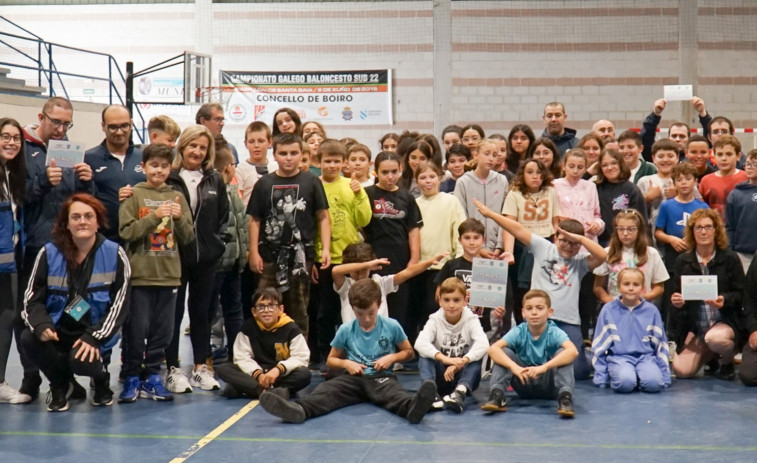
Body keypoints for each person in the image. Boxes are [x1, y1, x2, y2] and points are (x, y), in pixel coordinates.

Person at [258, 278, 437, 424]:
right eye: (360, 314)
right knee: (326, 390)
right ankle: (299, 410)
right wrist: (346, 363)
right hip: (353, 378)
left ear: (379, 304)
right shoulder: (346, 329)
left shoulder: (391, 326)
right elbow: (331, 360)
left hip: (381, 377)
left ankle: (413, 408)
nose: (366, 319)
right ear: (352, 308)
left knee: (395, 395)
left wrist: (391, 358)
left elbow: (409, 352)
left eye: (371, 313)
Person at [473, 199, 607, 380]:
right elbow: (517, 229)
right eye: (564, 241)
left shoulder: (580, 261)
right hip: (538, 318)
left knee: (580, 372)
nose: (569, 246)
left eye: (574, 243)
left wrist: (580, 239)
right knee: (532, 360)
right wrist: (491, 215)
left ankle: (579, 358)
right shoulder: (543, 247)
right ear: (555, 238)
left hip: (567, 321)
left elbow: (603, 255)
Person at [21, 193, 131, 411]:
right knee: (28, 338)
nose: (83, 221)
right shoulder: (48, 252)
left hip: (94, 332)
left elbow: (120, 304)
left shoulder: (115, 253)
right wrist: (42, 325)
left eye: (89, 216)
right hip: (58, 329)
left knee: (81, 359)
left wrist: (94, 337)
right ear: (66, 224)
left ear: (98, 221)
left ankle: (101, 380)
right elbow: (31, 298)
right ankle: (61, 385)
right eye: (76, 217)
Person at [117, 143, 194, 403]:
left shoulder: (177, 196)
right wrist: (155, 216)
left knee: (163, 332)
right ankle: (131, 376)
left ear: (170, 167)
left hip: (170, 274)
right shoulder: (133, 195)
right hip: (140, 274)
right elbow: (126, 232)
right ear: (144, 167)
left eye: (164, 165)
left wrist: (180, 218)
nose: (159, 170)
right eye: (154, 165)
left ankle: (152, 376)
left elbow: (187, 237)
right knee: (137, 331)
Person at [164, 125, 229, 393]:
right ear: (182, 146)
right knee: (173, 313)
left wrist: (217, 244)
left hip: (206, 258)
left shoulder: (215, 179)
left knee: (202, 313)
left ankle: (201, 366)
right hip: (174, 257)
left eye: (203, 148)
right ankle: (172, 367)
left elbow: (223, 216)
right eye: (193, 145)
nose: (197, 151)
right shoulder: (169, 177)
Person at [247, 132, 330, 337]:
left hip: (301, 255)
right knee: (265, 303)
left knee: (299, 306)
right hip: (269, 255)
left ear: (302, 154)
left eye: (294, 153)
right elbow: (255, 220)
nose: (289, 158)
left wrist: (325, 249)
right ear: (274, 155)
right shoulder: (264, 183)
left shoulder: (312, 182)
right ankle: (265, 349)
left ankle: (299, 354)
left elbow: (323, 217)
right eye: (283, 153)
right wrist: (253, 252)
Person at [312, 139, 371, 366]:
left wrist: (360, 195)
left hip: (349, 260)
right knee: (324, 313)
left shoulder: (351, 185)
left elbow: (364, 219)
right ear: (319, 161)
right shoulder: (314, 184)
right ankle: (326, 357)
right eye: (327, 161)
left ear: (344, 162)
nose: (332, 166)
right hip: (323, 259)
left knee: (347, 312)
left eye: (337, 161)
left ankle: (352, 353)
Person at [670, 209, 745, 380]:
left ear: (716, 231)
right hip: (696, 328)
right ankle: (710, 356)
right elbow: (676, 295)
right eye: (698, 227)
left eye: (708, 227)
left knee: (716, 339)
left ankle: (727, 361)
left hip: (723, 323)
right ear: (692, 231)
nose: (703, 231)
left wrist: (724, 300)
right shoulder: (683, 261)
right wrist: (677, 301)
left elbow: (741, 294)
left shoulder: (730, 258)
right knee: (682, 371)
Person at [482, 289, 577, 418]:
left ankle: (565, 397)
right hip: (524, 380)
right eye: (529, 308)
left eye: (539, 308)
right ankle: (497, 394)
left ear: (550, 312)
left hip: (549, 386)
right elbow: (493, 349)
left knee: (564, 353)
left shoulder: (554, 331)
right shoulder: (519, 331)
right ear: (523, 312)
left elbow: (573, 351)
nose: (534, 312)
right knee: (504, 352)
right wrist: (514, 367)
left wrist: (544, 367)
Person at [362, 151, 422, 337]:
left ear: (401, 170)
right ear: (376, 172)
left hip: (400, 259)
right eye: (385, 172)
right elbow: (361, 225)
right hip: (374, 259)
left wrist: (414, 258)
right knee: (374, 305)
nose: (390, 176)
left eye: (394, 171)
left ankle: (399, 349)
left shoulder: (407, 197)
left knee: (400, 306)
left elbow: (413, 230)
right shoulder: (368, 194)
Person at [216, 288, 311, 399]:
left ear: (280, 309)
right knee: (224, 369)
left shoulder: (291, 329)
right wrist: (258, 374)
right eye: (261, 307)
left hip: (280, 374)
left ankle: (246, 388)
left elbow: (301, 357)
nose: (266, 310)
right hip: (256, 372)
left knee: (304, 374)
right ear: (254, 312)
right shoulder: (248, 328)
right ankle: (268, 390)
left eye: (271, 306)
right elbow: (241, 357)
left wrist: (278, 369)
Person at [502, 158, 561, 330]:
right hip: (523, 247)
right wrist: (509, 251)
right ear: (522, 174)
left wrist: (558, 246)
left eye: (539, 172)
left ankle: (546, 328)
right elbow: (509, 225)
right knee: (522, 292)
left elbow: (555, 222)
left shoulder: (550, 191)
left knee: (546, 288)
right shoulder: (514, 194)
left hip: (547, 243)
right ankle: (523, 328)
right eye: (530, 172)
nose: (535, 176)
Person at [654, 162, 709, 341]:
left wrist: (694, 241)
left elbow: (710, 232)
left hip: (696, 259)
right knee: (673, 299)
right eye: (679, 180)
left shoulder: (702, 207)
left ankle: (698, 336)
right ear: (674, 183)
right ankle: (671, 337)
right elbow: (658, 232)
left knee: (695, 298)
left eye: (688, 179)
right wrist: (671, 239)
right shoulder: (667, 206)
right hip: (672, 259)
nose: (684, 183)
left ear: (695, 181)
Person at [592, 268, 671, 393]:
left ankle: (641, 374)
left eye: (636, 284)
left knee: (654, 385)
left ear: (642, 288)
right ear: (618, 287)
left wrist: (665, 376)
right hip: (619, 358)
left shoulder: (652, 311)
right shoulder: (608, 310)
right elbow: (599, 345)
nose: (631, 288)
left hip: (646, 357)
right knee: (625, 384)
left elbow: (661, 344)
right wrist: (601, 378)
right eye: (626, 284)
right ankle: (629, 375)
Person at [415, 278, 488, 413]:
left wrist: (461, 362)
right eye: (447, 300)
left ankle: (459, 393)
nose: (451, 305)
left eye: (456, 300)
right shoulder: (435, 319)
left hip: (463, 376)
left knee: (476, 356)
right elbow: (420, 342)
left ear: (465, 301)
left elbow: (483, 343)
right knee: (425, 355)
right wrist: (445, 359)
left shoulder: (471, 319)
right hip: (441, 376)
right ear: (440, 301)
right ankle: (430, 392)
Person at [554, 148, 604, 342]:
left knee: (585, 293)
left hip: (587, 246)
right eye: (572, 166)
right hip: (565, 248)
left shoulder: (590, 187)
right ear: (564, 166)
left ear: (586, 168)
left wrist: (597, 225)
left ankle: (584, 335)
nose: (575, 171)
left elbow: (598, 215)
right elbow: (553, 216)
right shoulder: (555, 185)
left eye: (580, 167)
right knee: (565, 289)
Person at [332, 243, 447, 325]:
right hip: (354, 340)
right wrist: (367, 265)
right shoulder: (345, 285)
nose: (360, 275)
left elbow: (407, 272)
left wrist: (429, 262)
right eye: (356, 271)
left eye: (364, 270)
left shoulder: (379, 282)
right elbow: (336, 271)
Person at [208, 140, 247, 361]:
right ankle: (205, 358)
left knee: (232, 311)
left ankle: (237, 356)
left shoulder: (232, 192)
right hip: (216, 265)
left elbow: (241, 224)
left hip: (232, 265)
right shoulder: (213, 192)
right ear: (229, 167)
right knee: (212, 312)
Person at [0, 118, 30, 403]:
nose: (11, 143)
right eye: (5, 137)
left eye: (16, 138)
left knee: (6, 320)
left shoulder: (12, 175)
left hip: (9, 262)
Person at [84, 104, 144, 242]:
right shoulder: (88, 159)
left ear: (131, 125)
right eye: (113, 127)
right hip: (103, 239)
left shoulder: (144, 158)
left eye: (124, 126)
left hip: (140, 240)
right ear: (103, 126)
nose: (119, 132)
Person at [433, 218, 504, 334]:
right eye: (467, 238)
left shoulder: (492, 268)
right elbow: (438, 296)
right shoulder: (451, 265)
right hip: (454, 326)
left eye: (476, 238)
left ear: (483, 240)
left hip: (483, 328)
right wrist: (459, 295)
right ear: (460, 240)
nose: (472, 243)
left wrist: (500, 312)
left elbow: (498, 304)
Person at [593, 210, 668, 305]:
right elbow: (598, 286)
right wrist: (608, 301)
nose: (625, 233)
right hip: (616, 307)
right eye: (621, 229)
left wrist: (643, 298)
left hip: (642, 307)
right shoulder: (607, 253)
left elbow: (659, 287)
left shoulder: (651, 253)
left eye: (631, 229)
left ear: (639, 230)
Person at [453, 139, 510, 256]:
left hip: (497, 250)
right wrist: (478, 248)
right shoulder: (463, 182)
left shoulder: (502, 181)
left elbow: (505, 215)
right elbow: (461, 217)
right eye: (487, 154)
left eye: (494, 155)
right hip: (472, 249)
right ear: (476, 155)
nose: (491, 159)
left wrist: (500, 246)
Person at [594, 149, 648, 246]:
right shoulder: (595, 188)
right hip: (600, 242)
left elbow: (641, 221)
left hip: (626, 242)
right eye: (604, 165)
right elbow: (576, 184)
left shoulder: (632, 190)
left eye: (614, 163)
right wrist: (589, 172)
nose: (609, 168)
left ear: (621, 164)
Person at [639, 97, 710, 162]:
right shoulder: (659, 159)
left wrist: (703, 113)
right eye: (674, 136)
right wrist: (655, 114)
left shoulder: (696, 160)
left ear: (689, 140)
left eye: (682, 136)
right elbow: (645, 140)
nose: (677, 139)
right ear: (668, 138)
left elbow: (710, 138)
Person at [636, 139, 679, 236]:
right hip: (651, 232)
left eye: (670, 156)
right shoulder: (644, 181)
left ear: (677, 158)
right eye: (660, 156)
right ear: (653, 158)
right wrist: (648, 197)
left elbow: (697, 203)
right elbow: (634, 208)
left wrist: (679, 194)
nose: (665, 160)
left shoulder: (684, 181)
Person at [699, 134, 747, 218]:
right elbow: (700, 207)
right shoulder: (706, 180)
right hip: (714, 228)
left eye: (729, 154)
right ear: (714, 156)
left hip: (740, 228)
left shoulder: (747, 178)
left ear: (738, 156)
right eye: (720, 154)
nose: (724, 158)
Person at [725, 149, 757, 271]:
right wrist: (730, 250)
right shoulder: (736, 194)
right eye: (748, 164)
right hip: (742, 253)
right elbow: (729, 226)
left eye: (755, 164)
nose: (750, 167)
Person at [236, 121, 273, 207]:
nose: (256, 145)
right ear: (245, 144)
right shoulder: (240, 170)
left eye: (261, 141)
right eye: (251, 141)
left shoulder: (276, 167)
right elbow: (238, 201)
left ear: (270, 142)